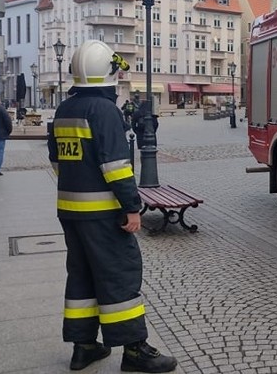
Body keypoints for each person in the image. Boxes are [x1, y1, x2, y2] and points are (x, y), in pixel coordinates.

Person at [47, 40, 177, 373]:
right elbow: (116, 166)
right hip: (103, 214)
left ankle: (84, 346)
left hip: (71, 211)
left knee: (82, 276)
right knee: (119, 274)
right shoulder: (104, 111)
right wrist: (132, 207)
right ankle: (135, 351)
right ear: (107, 73)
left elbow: (57, 159)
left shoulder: (64, 109)